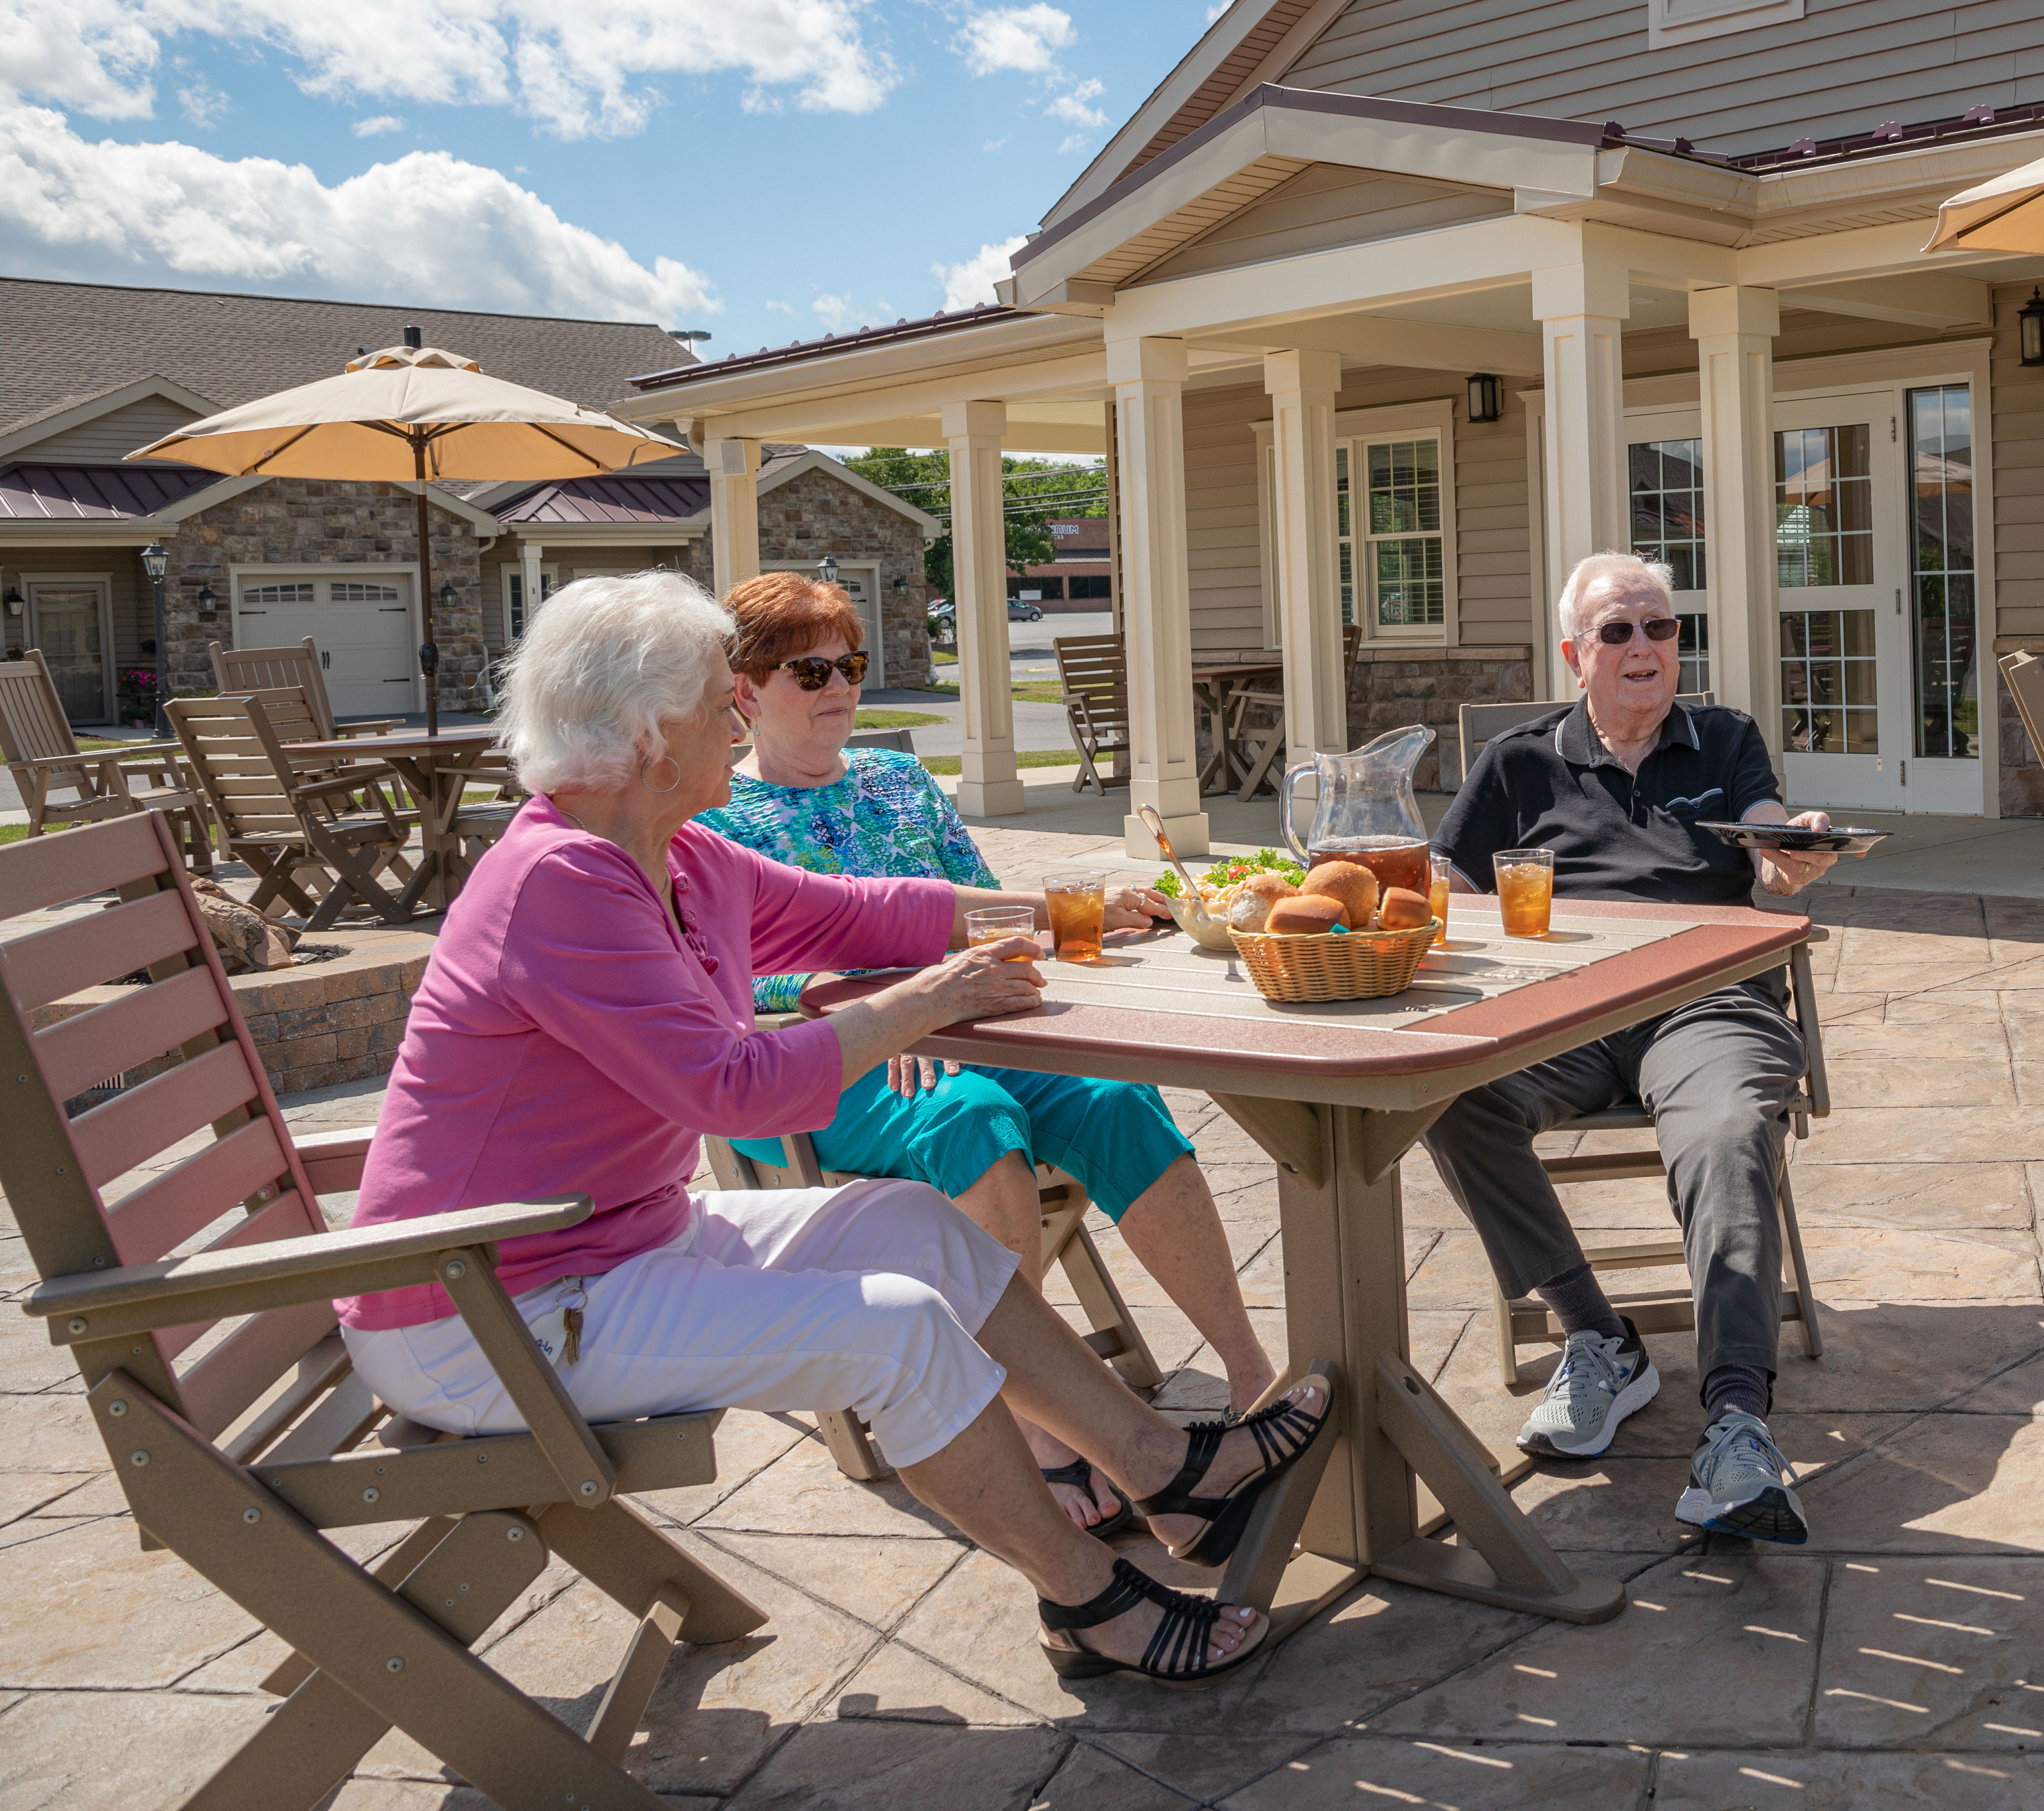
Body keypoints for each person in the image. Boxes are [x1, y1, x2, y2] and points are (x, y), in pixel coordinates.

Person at [332, 571, 1328, 1685]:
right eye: (724, 701)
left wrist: (1052, 913)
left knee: (914, 1226)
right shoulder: (558, 881)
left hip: (608, 1246)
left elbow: (863, 908)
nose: (740, 718)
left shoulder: (680, 854)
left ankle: (1160, 1464)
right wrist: (922, 1004)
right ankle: (1087, 1596)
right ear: (653, 736)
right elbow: (733, 1088)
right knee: (894, 1326)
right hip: (481, 1307)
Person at [699, 573, 1274, 1529]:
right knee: (975, 1120)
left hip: (959, 1036)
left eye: (850, 663)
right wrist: (887, 1013)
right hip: (816, 1069)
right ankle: (1043, 1434)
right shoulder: (714, 817)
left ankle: (1250, 1373)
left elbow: (978, 911)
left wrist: (1082, 912)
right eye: (811, 669)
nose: (840, 684)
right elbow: (727, 984)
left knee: (1115, 1098)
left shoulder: (896, 779)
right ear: (744, 690)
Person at [1422, 551, 1841, 1543]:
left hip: (1705, 1002)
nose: (1646, 646)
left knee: (1730, 1126)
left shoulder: (1727, 737)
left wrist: (1791, 858)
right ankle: (1599, 1338)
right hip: (1559, 1009)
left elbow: (1771, 850)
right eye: (1619, 631)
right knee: (1436, 1089)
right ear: (1577, 654)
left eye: (1662, 627)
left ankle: (1737, 1419)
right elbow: (1442, 874)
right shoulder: (1519, 760)